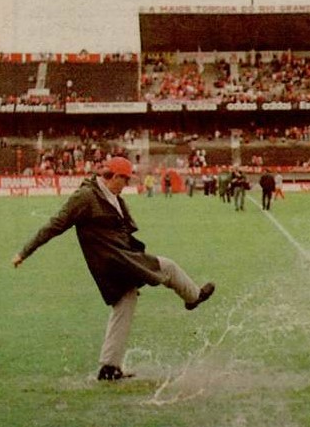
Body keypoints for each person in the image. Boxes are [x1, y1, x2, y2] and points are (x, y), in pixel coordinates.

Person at [12, 156, 215, 381]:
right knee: (167, 267)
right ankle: (193, 297)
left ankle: (109, 367)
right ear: (115, 176)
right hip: (113, 261)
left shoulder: (110, 196)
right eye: (125, 180)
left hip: (119, 258)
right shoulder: (86, 197)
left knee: (125, 302)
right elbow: (54, 225)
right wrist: (24, 252)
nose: (126, 185)